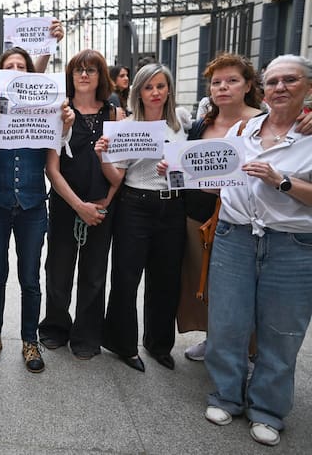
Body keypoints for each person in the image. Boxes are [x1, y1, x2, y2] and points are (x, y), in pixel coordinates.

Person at [202, 55, 312, 447]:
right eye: (274, 81)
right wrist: (183, 173)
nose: (280, 87)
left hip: (292, 244)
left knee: (282, 330)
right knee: (228, 320)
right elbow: (220, 177)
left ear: (308, 88)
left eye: (290, 80)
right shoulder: (244, 129)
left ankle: (267, 409)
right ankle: (226, 395)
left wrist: (282, 182)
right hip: (236, 236)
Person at [0, 47, 75, 373]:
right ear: (0, 73)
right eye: (9, 66)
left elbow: (60, 140)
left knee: (30, 277)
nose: (15, 69)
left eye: (21, 66)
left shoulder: (46, 105)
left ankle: (30, 338)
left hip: (32, 205)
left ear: (29, 73)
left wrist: (67, 122)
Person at [96, 63, 190, 372]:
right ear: (138, 91)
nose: (155, 92)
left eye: (161, 86)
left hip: (172, 206)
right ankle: (123, 344)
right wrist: (103, 156)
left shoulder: (182, 122)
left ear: (169, 90)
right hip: (135, 205)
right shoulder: (127, 126)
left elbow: (195, 165)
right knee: (126, 277)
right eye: (148, 87)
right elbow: (116, 177)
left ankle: (159, 344)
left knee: (166, 279)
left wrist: (176, 172)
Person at [176, 54, 264, 362]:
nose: (223, 87)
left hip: (244, 221)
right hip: (199, 216)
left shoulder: (262, 123)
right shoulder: (202, 124)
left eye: (232, 81)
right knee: (203, 282)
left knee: (240, 290)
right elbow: (185, 166)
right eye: (216, 82)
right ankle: (213, 338)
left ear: (248, 85)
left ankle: (248, 349)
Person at [39, 49, 120, 360]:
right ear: (70, 76)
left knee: (95, 272)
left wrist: (103, 205)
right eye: (78, 70)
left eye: (92, 70)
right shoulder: (60, 111)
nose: (84, 75)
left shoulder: (113, 113)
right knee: (58, 270)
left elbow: (119, 166)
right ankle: (55, 326)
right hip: (64, 205)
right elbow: (52, 168)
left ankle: (87, 334)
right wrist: (78, 206)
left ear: (101, 76)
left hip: (102, 206)